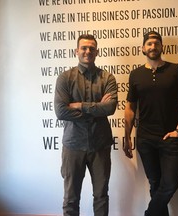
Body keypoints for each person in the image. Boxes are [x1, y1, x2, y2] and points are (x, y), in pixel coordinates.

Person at [124, 31, 178, 216]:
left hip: (169, 136)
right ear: (143, 48)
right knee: (155, 183)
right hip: (145, 139)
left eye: (156, 43)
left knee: (170, 184)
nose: (153, 46)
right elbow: (130, 106)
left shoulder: (176, 70)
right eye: (149, 43)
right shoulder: (136, 74)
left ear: (162, 47)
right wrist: (127, 136)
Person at [54, 34, 118, 216]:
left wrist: (80, 106)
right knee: (71, 198)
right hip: (73, 145)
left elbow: (111, 107)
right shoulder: (65, 78)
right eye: (84, 48)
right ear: (77, 51)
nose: (87, 51)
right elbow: (61, 112)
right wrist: (98, 108)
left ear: (97, 51)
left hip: (100, 145)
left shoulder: (107, 78)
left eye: (91, 48)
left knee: (101, 196)